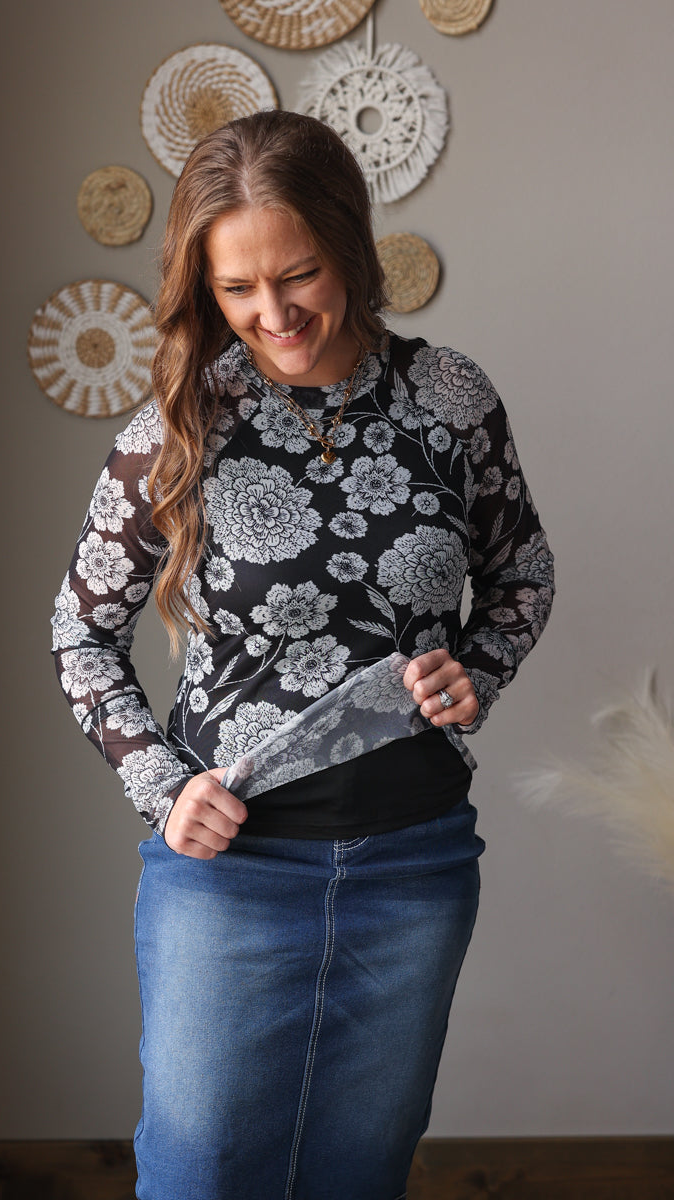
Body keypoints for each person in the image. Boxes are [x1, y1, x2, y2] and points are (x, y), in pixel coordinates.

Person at [52, 109, 554, 1200]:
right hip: (229, 876)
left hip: (414, 864)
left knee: (354, 1176)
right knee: (197, 1177)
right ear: (203, 286)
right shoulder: (171, 431)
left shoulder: (449, 398)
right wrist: (158, 783)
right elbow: (80, 632)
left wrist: (476, 670)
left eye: (300, 274)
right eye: (236, 290)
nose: (273, 314)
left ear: (349, 247)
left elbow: (520, 573)